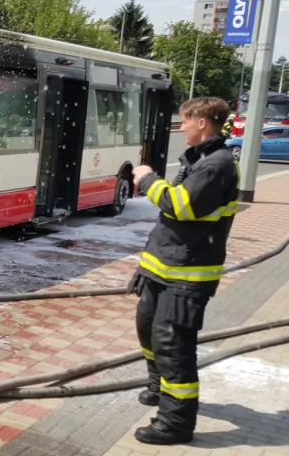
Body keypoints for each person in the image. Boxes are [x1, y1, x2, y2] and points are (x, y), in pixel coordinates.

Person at [129, 96, 239, 446]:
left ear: (201, 122)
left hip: (187, 275)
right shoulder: (200, 158)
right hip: (164, 268)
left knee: (173, 345)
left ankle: (175, 423)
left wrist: (147, 179)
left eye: (185, 121)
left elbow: (180, 206)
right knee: (148, 330)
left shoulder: (216, 165)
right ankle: (159, 387)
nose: (181, 128)